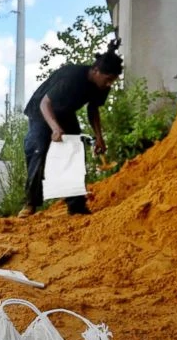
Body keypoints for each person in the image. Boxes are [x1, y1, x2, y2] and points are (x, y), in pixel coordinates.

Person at [20, 39, 123, 217]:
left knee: (74, 152)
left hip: (65, 113)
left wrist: (99, 137)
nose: (109, 84)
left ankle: (76, 206)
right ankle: (30, 204)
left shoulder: (102, 85)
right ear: (96, 71)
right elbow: (45, 103)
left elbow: (93, 109)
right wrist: (55, 128)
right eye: (107, 80)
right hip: (41, 111)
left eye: (112, 81)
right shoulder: (72, 77)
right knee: (38, 149)